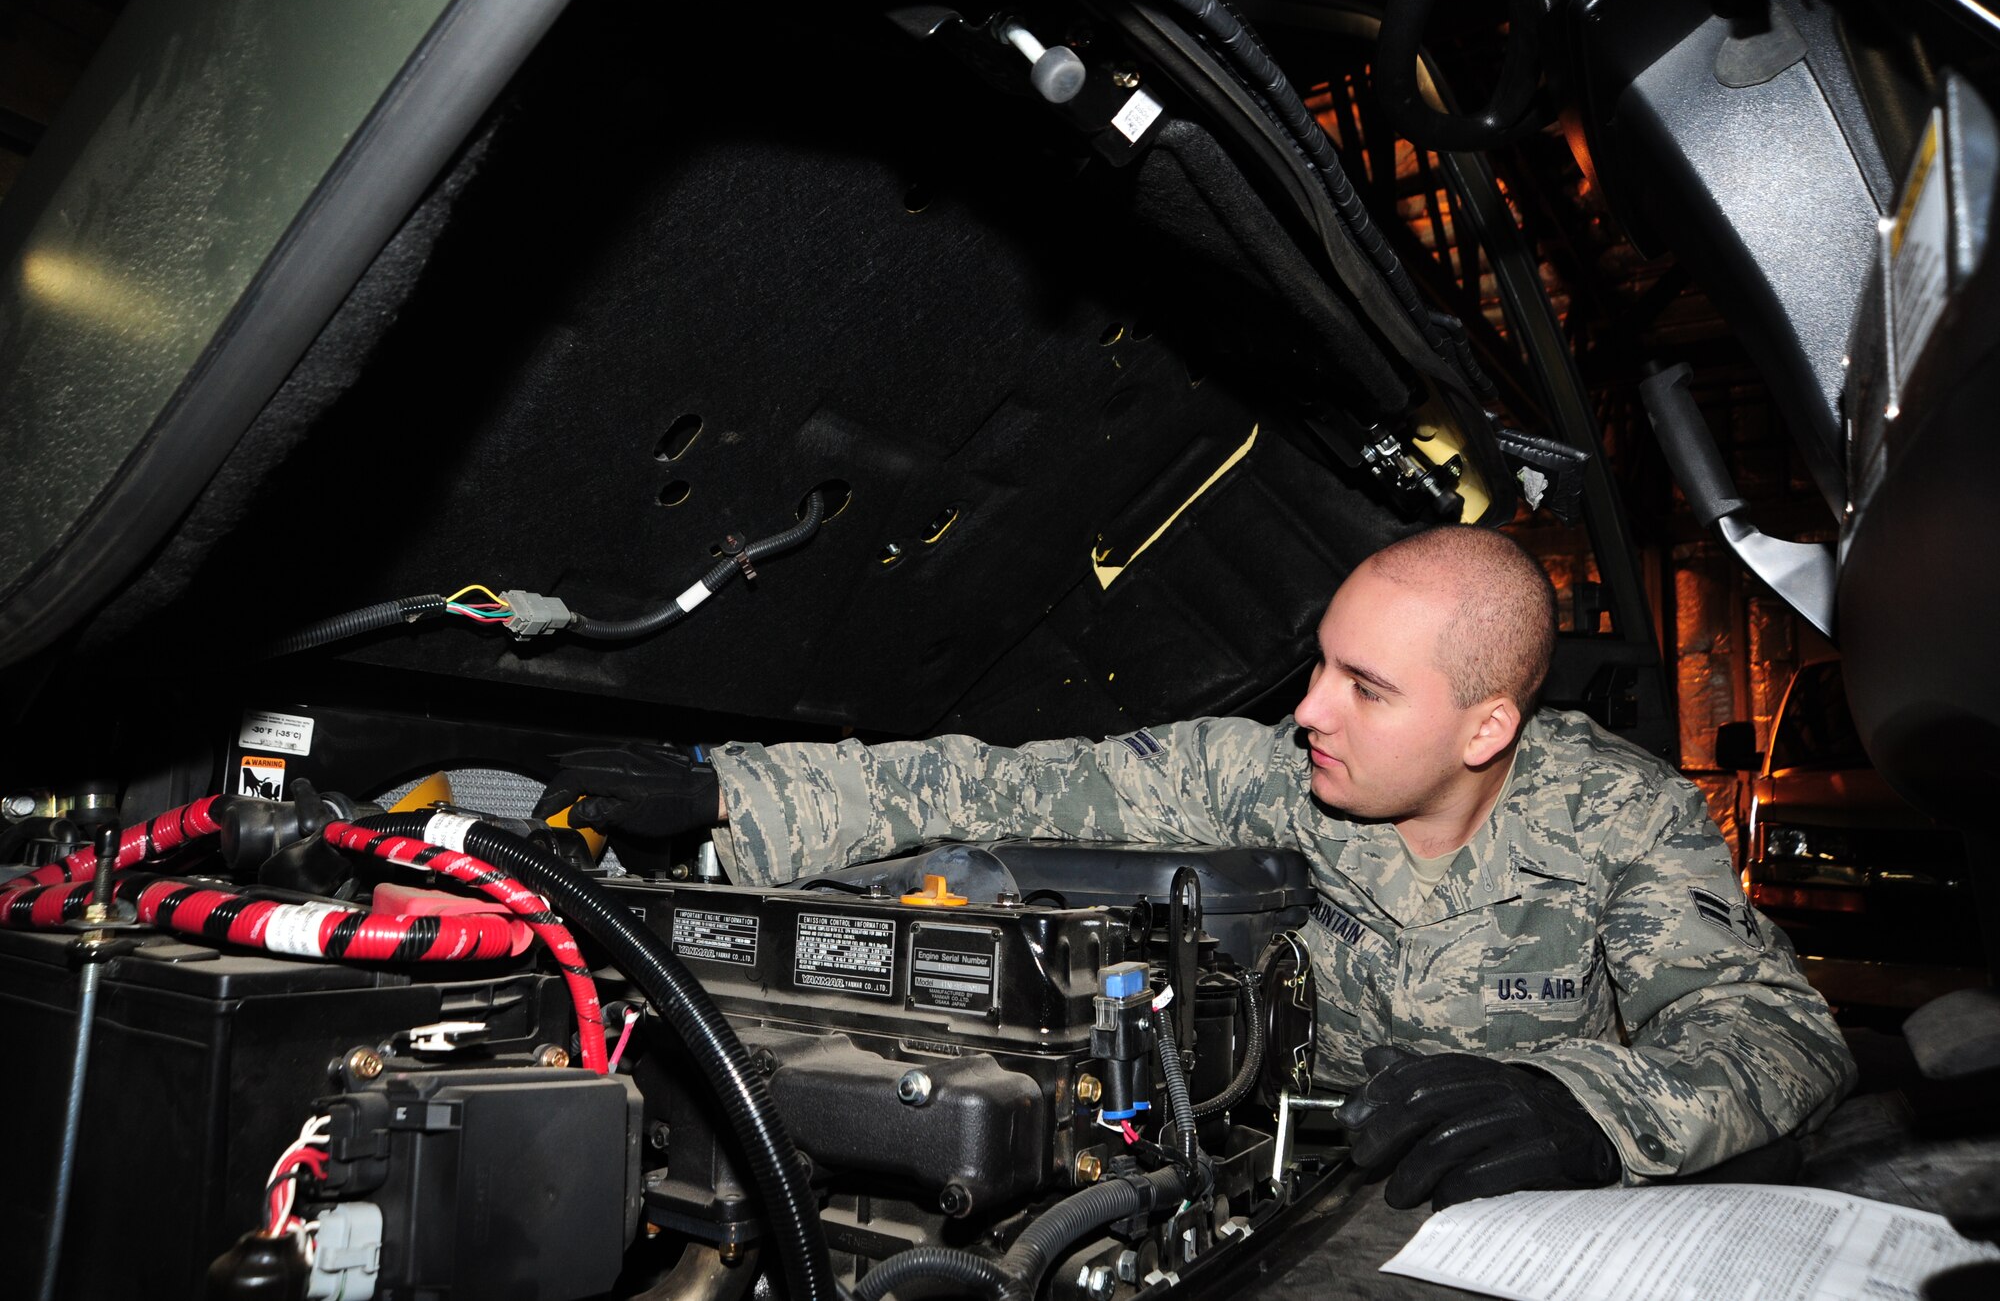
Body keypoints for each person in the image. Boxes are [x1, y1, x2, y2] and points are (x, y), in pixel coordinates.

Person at [536, 526, 1856, 1210]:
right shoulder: (1266, 771)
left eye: (1366, 687)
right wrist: (730, 792)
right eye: (1322, 661)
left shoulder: (1619, 814)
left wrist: (1584, 1110)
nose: (1310, 712)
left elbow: (1780, 1033)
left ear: (1485, 729)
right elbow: (998, 780)